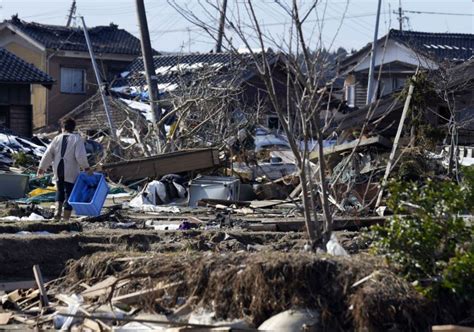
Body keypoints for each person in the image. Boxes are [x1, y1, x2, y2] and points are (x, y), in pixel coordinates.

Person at [37, 118, 93, 221]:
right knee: (70, 193)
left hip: (58, 169)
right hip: (70, 170)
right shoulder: (77, 138)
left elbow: (48, 154)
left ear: (63, 128)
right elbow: (80, 155)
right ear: (73, 128)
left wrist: (42, 168)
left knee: (60, 191)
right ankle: (66, 218)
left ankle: (57, 213)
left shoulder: (57, 138)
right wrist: (86, 167)